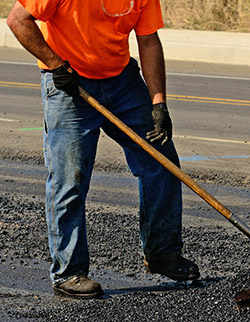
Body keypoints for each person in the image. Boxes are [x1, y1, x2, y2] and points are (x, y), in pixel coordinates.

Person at [6, 0, 200, 299]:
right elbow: (18, 20)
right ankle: (69, 272)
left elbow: (148, 40)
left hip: (122, 81)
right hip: (69, 82)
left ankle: (162, 253)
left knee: (160, 158)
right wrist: (56, 65)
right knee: (69, 177)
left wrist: (158, 102)